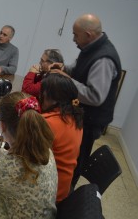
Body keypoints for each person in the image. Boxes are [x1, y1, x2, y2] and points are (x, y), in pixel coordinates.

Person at [51, 14, 122, 187]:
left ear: (88, 34)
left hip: (89, 122)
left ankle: (62, 201)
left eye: (76, 34)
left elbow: (94, 96)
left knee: (73, 163)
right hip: (80, 115)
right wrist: (64, 68)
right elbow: (79, 68)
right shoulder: (90, 48)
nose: (73, 38)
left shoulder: (104, 59)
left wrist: (66, 80)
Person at [39, 73, 84, 202]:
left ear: (50, 98)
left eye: (43, 93)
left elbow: (22, 158)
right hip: (62, 187)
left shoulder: (48, 123)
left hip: (48, 191)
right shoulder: (75, 118)